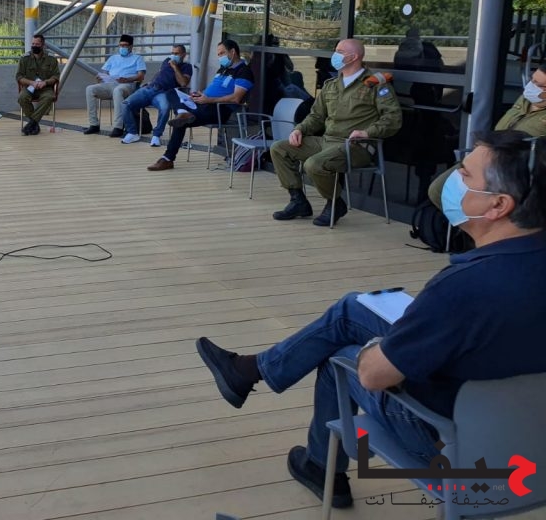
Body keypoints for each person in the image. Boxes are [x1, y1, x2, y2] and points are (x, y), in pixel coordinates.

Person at [194, 130, 546, 509]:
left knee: (340, 357)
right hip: (533, 443)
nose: (453, 180)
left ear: (498, 205)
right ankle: (250, 371)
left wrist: (378, 347)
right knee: (354, 308)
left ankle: (320, 464)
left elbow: (374, 376)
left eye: (464, 174)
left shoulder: (463, 287)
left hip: (457, 449)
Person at [270, 39, 402, 226]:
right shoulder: (331, 84)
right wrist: (299, 129)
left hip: (356, 146)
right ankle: (298, 201)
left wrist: (367, 132)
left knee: (314, 164)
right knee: (279, 148)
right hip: (327, 141)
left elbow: (393, 118)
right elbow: (316, 116)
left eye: (339, 51)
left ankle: (334, 203)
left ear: (353, 57)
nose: (335, 54)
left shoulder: (376, 84)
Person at [428, 62, 546, 208]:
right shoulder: (526, 98)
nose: (532, 86)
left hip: (508, 170)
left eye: (540, 85)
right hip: (486, 155)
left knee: (469, 202)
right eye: (532, 79)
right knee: (439, 190)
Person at [147, 39, 254, 171]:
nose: (220, 57)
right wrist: (200, 94)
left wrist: (208, 100)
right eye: (218, 54)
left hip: (219, 110)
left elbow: (237, 98)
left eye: (222, 53)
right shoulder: (223, 69)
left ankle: (167, 159)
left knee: (181, 122)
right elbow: (213, 89)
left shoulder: (244, 72)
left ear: (232, 52)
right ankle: (182, 112)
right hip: (203, 103)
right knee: (171, 92)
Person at [120, 44, 192, 145]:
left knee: (165, 108)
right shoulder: (166, 61)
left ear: (183, 55)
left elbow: (183, 83)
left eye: (176, 54)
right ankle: (132, 132)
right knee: (125, 104)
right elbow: (160, 73)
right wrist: (150, 81)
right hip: (149, 88)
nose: (173, 55)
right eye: (172, 53)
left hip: (164, 92)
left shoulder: (187, 67)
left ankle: (156, 135)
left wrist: (175, 67)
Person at [83, 34, 146, 138]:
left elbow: (141, 76)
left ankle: (118, 127)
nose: (122, 48)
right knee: (90, 89)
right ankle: (94, 124)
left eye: (125, 45)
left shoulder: (138, 58)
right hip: (111, 84)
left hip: (128, 85)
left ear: (131, 46)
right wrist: (101, 78)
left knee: (118, 90)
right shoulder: (113, 58)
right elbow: (105, 73)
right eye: (120, 45)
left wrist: (127, 79)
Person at [16, 33, 60, 135]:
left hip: (45, 88)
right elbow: (19, 76)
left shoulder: (51, 59)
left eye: (37, 44)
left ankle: (32, 123)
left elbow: (56, 76)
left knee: (49, 97)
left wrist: (45, 82)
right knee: (22, 98)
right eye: (33, 44)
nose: (34, 46)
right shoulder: (24, 58)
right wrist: (31, 82)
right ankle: (34, 124)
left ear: (43, 45)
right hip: (29, 87)